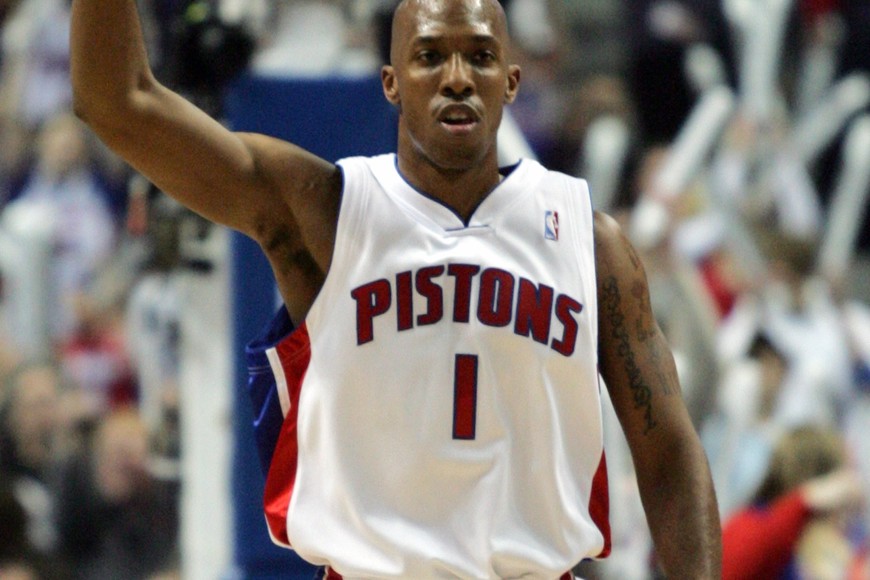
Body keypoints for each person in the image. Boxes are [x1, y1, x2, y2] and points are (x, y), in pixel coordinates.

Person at [69, 0, 721, 576]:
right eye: (430, 57)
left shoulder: (589, 239)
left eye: (481, 58)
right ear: (391, 84)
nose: (458, 78)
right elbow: (117, 101)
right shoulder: (325, 213)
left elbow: (667, 448)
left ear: (512, 82)